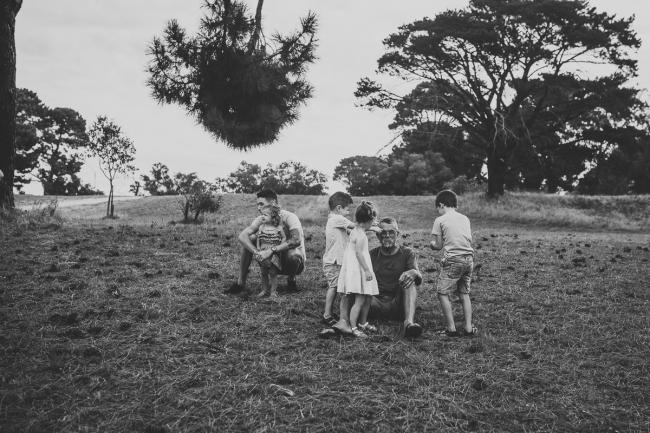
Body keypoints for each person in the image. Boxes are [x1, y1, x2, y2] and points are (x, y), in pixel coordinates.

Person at [331, 216, 423, 339]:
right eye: (383, 233)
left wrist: (414, 272)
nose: (387, 236)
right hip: (374, 304)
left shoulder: (408, 253)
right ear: (378, 235)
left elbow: (419, 278)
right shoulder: (371, 255)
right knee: (353, 288)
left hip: (398, 303)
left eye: (391, 232)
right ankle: (344, 322)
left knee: (409, 282)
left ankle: (409, 323)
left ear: (398, 234)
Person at [225, 189, 305, 295]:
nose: (259, 208)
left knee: (293, 254)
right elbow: (242, 236)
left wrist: (271, 250)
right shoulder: (261, 219)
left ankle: (291, 280)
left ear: (273, 203)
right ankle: (240, 283)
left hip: (290, 263)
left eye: (262, 204)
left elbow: (296, 240)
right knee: (248, 241)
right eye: (257, 204)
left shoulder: (289, 217)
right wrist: (257, 252)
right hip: (269, 262)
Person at [430, 189, 477, 337]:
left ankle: (451, 329)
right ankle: (469, 327)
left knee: (442, 292)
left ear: (442, 205)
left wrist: (432, 243)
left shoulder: (440, 220)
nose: (438, 211)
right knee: (464, 293)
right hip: (469, 259)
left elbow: (438, 245)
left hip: (453, 259)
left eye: (438, 208)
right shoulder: (465, 218)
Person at [334, 201, 379, 338]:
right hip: (360, 269)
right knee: (359, 300)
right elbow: (359, 254)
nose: (374, 223)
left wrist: (373, 228)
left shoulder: (355, 230)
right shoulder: (360, 236)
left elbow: (362, 227)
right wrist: (366, 270)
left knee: (366, 297)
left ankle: (362, 323)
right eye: (373, 221)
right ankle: (354, 327)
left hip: (355, 268)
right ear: (368, 220)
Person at [321, 191, 355, 326]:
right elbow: (355, 226)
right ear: (339, 208)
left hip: (336, 261)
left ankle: (335, 313)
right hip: (333, 262)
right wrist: (372, 226)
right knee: (333, 287)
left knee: (336, 286)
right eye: (347, 209)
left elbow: (350, 232)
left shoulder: (335, 220)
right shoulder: (336, 219)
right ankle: (327, 314)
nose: (348, 212)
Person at [255, 203, 286, 299]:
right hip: (262, 253)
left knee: (273, 273)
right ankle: (264, 290)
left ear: (273, 217)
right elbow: (258, 238)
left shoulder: (278, 228)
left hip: (273, 253)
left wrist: (279, 247)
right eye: (262, 214)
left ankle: (273, 292)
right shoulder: (261, 227)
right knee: (263, 273)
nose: (262, 216)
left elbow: (284, 238)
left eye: (265, 215)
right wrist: (258, 248)